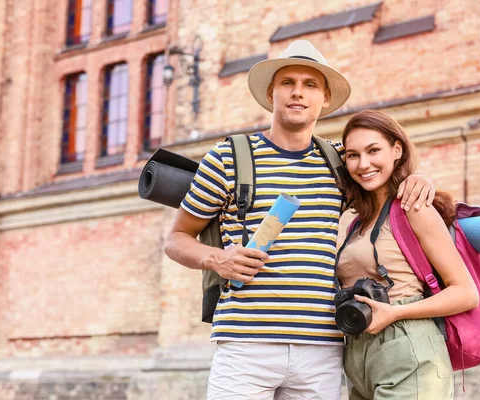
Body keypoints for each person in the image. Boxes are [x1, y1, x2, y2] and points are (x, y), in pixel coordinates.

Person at [164, 40, 435, 400]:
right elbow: (176, 238)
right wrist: (217, 258)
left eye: (310, 85)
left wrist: (416, 178)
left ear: (324, 98)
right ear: (270, 92)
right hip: (246, 345)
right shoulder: (228, 157)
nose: (297, 92)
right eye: (287, 82)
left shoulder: (340, 163)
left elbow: (382, 179)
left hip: (321, 349)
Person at [337, 110, 480, 400]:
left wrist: (395, 312)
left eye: (374, 150)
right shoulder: (353, 218)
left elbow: (466, 293)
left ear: (397, 150)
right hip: (358, 353)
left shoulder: (414, 207)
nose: (364, 164)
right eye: (353, 155)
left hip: (407, 348)